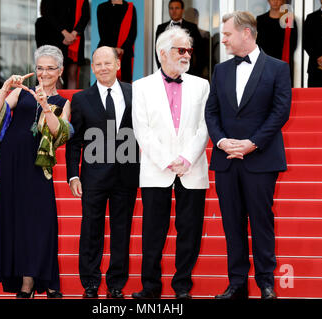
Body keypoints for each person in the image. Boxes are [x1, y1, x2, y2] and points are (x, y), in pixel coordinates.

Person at [205, 11, 291, 299]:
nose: (224, 39)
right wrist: (221, 142)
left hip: (261, 158)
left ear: (246, 33)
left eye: (227, 34)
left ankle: (266, 282)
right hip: (227, 159)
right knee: (232, 223)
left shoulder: (278, 68)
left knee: (261, 222)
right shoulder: (221, 70)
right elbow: (211, 111)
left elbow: (280, 112)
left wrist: (252, 143)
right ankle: (237, 283)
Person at [0, 45, 72, 299]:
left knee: (40, 223)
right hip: (10, 163)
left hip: (37, 168)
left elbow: (59, 133)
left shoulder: (63, 102)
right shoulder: (21, 94)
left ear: (60, 71)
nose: (44, 73)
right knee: (17, 223)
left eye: (50, 69)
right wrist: (5, 89)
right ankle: (26, 282)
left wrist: (45, 105)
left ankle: (46, 278)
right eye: (40, 68)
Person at [131, 27, 210, 299]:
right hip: (156, 169)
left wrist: (187, 158)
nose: (187, 54)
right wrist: (168, 160)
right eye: (181, 50)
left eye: (189, 50)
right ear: (162, 52)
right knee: (153, 232)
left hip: (193, 167)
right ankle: (150, 287)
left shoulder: (202, 85)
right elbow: (142, 130)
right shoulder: (141, 87)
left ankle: (182, 286)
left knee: (190, 231)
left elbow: (204, 126)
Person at [65, 46, 139, 299]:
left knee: (122, 230)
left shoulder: (134, 93)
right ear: (93, 67)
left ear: (118, 64)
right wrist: (73, 174)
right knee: (91, 230)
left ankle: (116, 284)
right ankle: (90, 283)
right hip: (93, 176)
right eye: (98, 64)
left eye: (108, 63)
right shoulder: (82, 99)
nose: (103, 68)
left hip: (126, 174)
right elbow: (75, 142)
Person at [35, 0, 90, 89]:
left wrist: (74, 34)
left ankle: (71, 102)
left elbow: (85, 16)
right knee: (56, 75)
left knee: (73, 73)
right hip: (55, 37)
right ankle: (57, 102)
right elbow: (48, 13)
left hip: (75, 39)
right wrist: (65, 33)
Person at [155, 0, 203, 77]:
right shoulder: (161, 28)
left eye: (177, 8)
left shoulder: (192, 27)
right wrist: (163, 70)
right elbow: (158, 50)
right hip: (167, 73)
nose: (174, 11)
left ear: (182, 10)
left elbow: (200, 52)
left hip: (189, 73)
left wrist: (195, 72)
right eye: (171, 8)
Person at [257, 0, 298, 84]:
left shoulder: (288, 19)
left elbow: (292, 44)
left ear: (283, 1)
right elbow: (257, 44)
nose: (275, 2)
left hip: (283, 63)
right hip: (264, 64)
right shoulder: (260, 19)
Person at [97, 0, 137, 83]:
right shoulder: (102, 7)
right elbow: (103, 32)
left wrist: (122, 48)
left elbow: (133, 32)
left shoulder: (130, 7)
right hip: (106, 52)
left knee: (125, 85)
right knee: (106, 82)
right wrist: (113, 49)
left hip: (125, 52)